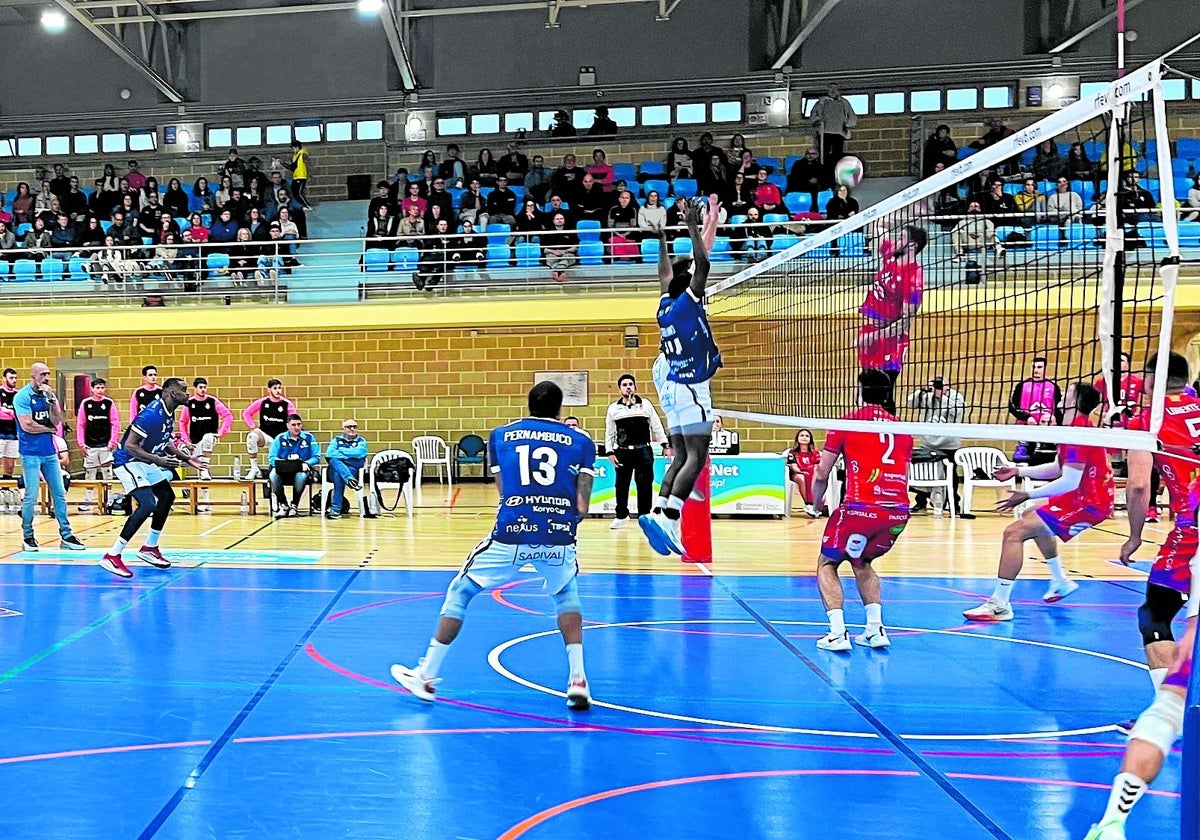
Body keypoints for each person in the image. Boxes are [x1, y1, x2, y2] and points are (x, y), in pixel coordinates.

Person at [390, 381, 597, 709]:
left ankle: (426, 675)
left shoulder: (501, 435)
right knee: (566, 596)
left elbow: (503, 491)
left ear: (528, 405)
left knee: (461, 591)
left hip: (512, 530)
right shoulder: (582, 441)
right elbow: (582, 506)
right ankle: (578, 680)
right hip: (558, 532)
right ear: (560, 409)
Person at [1085, 352, 1199, 840]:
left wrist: (1133, 536)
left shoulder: (1147, 420)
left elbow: (1136, 486)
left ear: (1152, 382)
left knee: (1155, 613)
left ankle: (1164, 710)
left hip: (1192, 529)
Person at [963, 382, 1112, 621]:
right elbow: (1057, 468)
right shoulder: (1072, 428)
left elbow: (1070, 481)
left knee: (1014, 533)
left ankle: (999, 605)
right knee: (1031, 514)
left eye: (1070, 391)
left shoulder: (1079, 431)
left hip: (1089, 502)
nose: (1063, 395)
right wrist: (1018, 471)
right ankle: (1060, 581)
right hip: (1082, 496)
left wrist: (1027, 493)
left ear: (1075, 402)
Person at [639, 197, 722, 556]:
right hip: (690, 387)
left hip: (674, 387)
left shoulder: (665, 308)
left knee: (680, 457)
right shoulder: (688, 303)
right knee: (696, 457)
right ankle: (671, 515)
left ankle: (660, 512)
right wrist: (690, 224)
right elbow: (702, 261)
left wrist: (660, 238)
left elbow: (663, 275)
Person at [811, 369, 913, 651]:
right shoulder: (901, 428)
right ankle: (874, 630)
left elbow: (822, 473)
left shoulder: (847, 423)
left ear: (860, 390)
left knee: (827, 564)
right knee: (861, 562)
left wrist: (814, 503)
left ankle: (837, 633)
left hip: (861, 507)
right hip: (897, 513)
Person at [857, 220, 928, 413]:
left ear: (912, 246)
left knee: (884, 392)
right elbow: (878, 231)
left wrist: (873, 337)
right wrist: (881, 220)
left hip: (890, 340)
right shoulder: (890, 257)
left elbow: (905, 322)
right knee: (864, 390)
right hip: (871, 331)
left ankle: (890, 433)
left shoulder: (914, 279)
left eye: (901, 238)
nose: (896, 241)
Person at [15, 363, 86, 553]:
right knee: (31, 494)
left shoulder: (48, 396)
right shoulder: (22, 396)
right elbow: (27, 425)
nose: (46, 378)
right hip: (30, 452)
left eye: (48, 374)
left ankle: (67, 535)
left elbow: (57, 420)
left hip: (49, 451)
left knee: (59, 492)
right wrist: (48, 429)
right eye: (42, 374)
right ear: (33, 376)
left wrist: (53, 401)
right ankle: (28, 536)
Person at [604, 373, 668, 530]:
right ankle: (621, 515)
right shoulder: (613, 408)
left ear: (635, 387)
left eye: (630, 384)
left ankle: (644, 517)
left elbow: (657, 425)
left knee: (645, 485)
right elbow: (609, 433)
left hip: (643, 451)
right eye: (624, 385)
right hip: (623, 452)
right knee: (621, 485)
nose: (628, 387)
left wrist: (665, 444)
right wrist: (610, 452)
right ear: (620, 389)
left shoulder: (645, 404)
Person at [905, 376, 966, 516]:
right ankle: (921, 502)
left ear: (947, 386)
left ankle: (953, 504)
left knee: (950, 474)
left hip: (949, 444)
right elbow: (910, 403)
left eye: (939, 385)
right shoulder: (926, 396)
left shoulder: (956, 397)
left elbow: (957, 412)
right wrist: (921, 391)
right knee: (923, 473)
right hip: (927, 442)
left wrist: (941, 396)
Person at [242, 379, 298, 480]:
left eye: (279, 388)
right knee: (252, 436)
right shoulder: (262, 402)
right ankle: (254, 468)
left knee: (277, 465)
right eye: (275, 388)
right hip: (265, 435)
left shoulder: (287, 404)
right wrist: (253, 427)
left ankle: (276, 474)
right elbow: (246, 413)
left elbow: (294, 420)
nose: (278, 391)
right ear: (269, 390)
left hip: (280, 436)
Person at [180, 377, 234, 481]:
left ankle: (204, 467)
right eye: (200, 387)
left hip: (211, 436)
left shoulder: (213, 401)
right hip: (195, 439)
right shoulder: (189, 403)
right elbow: (183, 422)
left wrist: (221, 433)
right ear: (195, 388)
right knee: (200, 470)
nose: (203, 389)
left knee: (207, 438)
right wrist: (186, 440)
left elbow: (228, 416)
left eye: (205, 387)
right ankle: (204, 494)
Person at [268, 414, 319, 518]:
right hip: (283, 470)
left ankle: (294, 505)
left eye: (299, 424)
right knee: (273, 475)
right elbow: (272, 458)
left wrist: (307, 463)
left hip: (301, 469)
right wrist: (283, 463)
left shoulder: (309, 438)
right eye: (293, 425)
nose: (296, 427)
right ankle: (283, 505)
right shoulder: (280, 438)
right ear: (288, 425)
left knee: (301, 477)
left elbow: (316, 457)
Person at [76, 377, 120, 483]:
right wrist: (81, 443)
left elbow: (115, 423)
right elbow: (81, 424)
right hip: (90, 444)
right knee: (90, 473)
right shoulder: (86, 403)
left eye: (102, 387)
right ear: (92, 389)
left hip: (105, 444)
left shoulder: (109, 403)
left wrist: (112, 441)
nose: (100, 390)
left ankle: (108, 496)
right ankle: (89, 497)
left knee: (107, 473)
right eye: (97, 387)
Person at [810, 83, 857, 174]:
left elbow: (852, 117)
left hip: (839, 133)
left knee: (837, 156)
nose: (833, 91)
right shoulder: (821, 102)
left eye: (835, 89)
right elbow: (813, 116)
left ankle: (836, 175)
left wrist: (846, 125)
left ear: (839, 91)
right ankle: (824, 175)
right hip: (824, 134)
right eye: (830, 88)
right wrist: (818, 122)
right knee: (823, 156)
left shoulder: (844, 102)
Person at [324, 419, 367, 519]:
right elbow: (329, 454)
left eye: (354, 427)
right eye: (349, 427)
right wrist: (351, 456)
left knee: (338, 472)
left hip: (353, 470)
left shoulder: (361, 441)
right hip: (342, 469)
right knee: (334, 460)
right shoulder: (336, 440)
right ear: (343, 429)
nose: (352, 429)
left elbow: (360, 453)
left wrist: (342, 452)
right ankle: (349, 480)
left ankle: (335, 510)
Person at [786, 429, 821, 510]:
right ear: (797, 438)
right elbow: (794, 467)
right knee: (801, 477)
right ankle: (808, 503)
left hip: (812, 474)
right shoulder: (792, 452)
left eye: (807, 436)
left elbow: (817, 467)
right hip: (798, 474)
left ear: (810, 439)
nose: (804, 437)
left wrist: (811, 473)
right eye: (801, 435)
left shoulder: (815, 453)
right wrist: (803, 472)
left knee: (814, 477)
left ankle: (815, 503)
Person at [0, 367, 19, 478]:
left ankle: (5, 489)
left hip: (13, 433)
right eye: (11, 378)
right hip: (0, 432)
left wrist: (9, 412)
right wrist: (12, 413)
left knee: (10, 464)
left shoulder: (18, 394)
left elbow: (20, 413)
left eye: (15, 378)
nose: (14, 380)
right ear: (4, 379)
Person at [284, 139, 313, 210]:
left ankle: (307, 206)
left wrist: (310, 175)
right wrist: (283, 163)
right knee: (294, 192)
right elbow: (292, 167)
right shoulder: (295, 156)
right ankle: (302, 205)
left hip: (301, 176)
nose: (292, 150)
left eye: (293, 148)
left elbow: (308, 164)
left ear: (297, 147)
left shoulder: (303, 153)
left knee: (298, 193)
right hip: (296, 177)